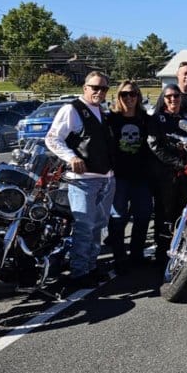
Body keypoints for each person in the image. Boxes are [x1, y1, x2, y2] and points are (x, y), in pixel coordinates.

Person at [45, 70, 116, 290]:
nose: (99, 92)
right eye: (95, 87)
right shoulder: (72, 110)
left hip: (106, 178)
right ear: (85, 88)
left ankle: (91, 267)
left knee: (98, 227)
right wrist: (71, 157)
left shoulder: (102, 112)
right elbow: (52, 138)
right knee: (84, 227)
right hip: (83, 180)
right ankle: (78, 273)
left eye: (103, 88)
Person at [148, 84, 187, 262]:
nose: (173, 99)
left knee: (185, 212)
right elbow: (155, 146)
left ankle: (186, 250)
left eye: (176, 96)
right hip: (166, 174)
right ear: (163, 98)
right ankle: (162, 253)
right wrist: (178, 164)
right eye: (169, 96)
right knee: (164, 213)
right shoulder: (157, 118)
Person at [107, 80, 154, 268]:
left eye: (133, 94)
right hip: (118, 176)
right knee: (117, 218)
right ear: (118, 96)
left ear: (138, 96)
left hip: (141, 176)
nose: (129, 97)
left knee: (143, 216)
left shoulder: (145, 118)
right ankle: (119, 257)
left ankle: (137, 254)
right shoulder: (111, 119)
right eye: (124, 94)